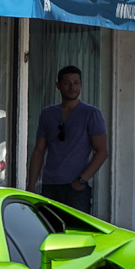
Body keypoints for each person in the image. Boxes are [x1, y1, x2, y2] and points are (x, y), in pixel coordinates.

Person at [26, 66, 108, 214]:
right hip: (50, 185)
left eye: (76, 83)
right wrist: (31, 185)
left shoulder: (91, 114)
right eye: (67, 83)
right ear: (58, 85)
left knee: (75, 233)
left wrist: (82, 180)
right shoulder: (48, 114)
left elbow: (102, 151)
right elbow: (39, 150)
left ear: (81, 84)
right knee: (49, 230)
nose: (72, 87)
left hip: (75, 188)